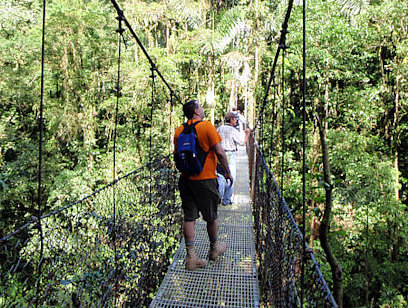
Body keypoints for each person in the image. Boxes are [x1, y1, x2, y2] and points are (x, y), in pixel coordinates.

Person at [174, 100, 233, 270]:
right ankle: (214, 249)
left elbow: (177, 156)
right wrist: (227, 172)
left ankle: (191, 257)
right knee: (211, 215)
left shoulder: (179, 130)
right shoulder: (207, 127)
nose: (202, 108)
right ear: (196, 111)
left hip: (186, 180)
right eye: (200, 106)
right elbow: (220, 152)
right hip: (206, 179)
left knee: (190, 217)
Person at [217, 112, 250, 206]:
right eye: (235, 119)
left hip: (219, 155)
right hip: (230, 155)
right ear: (231, 119)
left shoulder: (218, 129)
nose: (236, 121)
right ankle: (226, 200)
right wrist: (247, 134)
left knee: (220, 177)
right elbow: (242, 143)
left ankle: (218, 197)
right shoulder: (232, 130)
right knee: (230, 177)